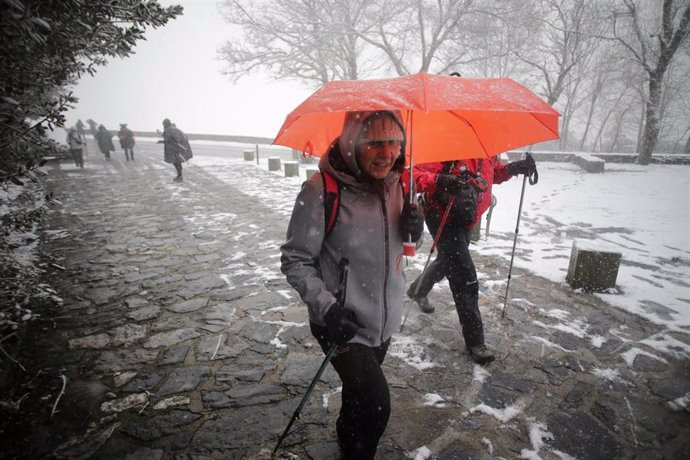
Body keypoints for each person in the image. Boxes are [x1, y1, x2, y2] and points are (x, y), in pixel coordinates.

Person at [280, 110, 424, 459]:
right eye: (375, 142)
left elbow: (404, 250)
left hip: (383, 320)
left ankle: (346, 433)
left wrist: (415, 231)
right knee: (376, 404)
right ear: (352, 143)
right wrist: (327, 309)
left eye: (394, 142)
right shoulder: (320, 190)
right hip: (340, 323)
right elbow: (295, 260)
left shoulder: (399, 184)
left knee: (359, 392)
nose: (387, 152)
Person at [410, 153, 537, 364]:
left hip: (466, 216)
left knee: (448, 261)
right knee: (464, 276)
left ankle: (417, 290)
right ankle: (475, 340)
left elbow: (492, 174)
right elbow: (416, 174)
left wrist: (514, 168)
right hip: (442, 214)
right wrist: (442, 180)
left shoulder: (486, 147)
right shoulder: (451, 142)